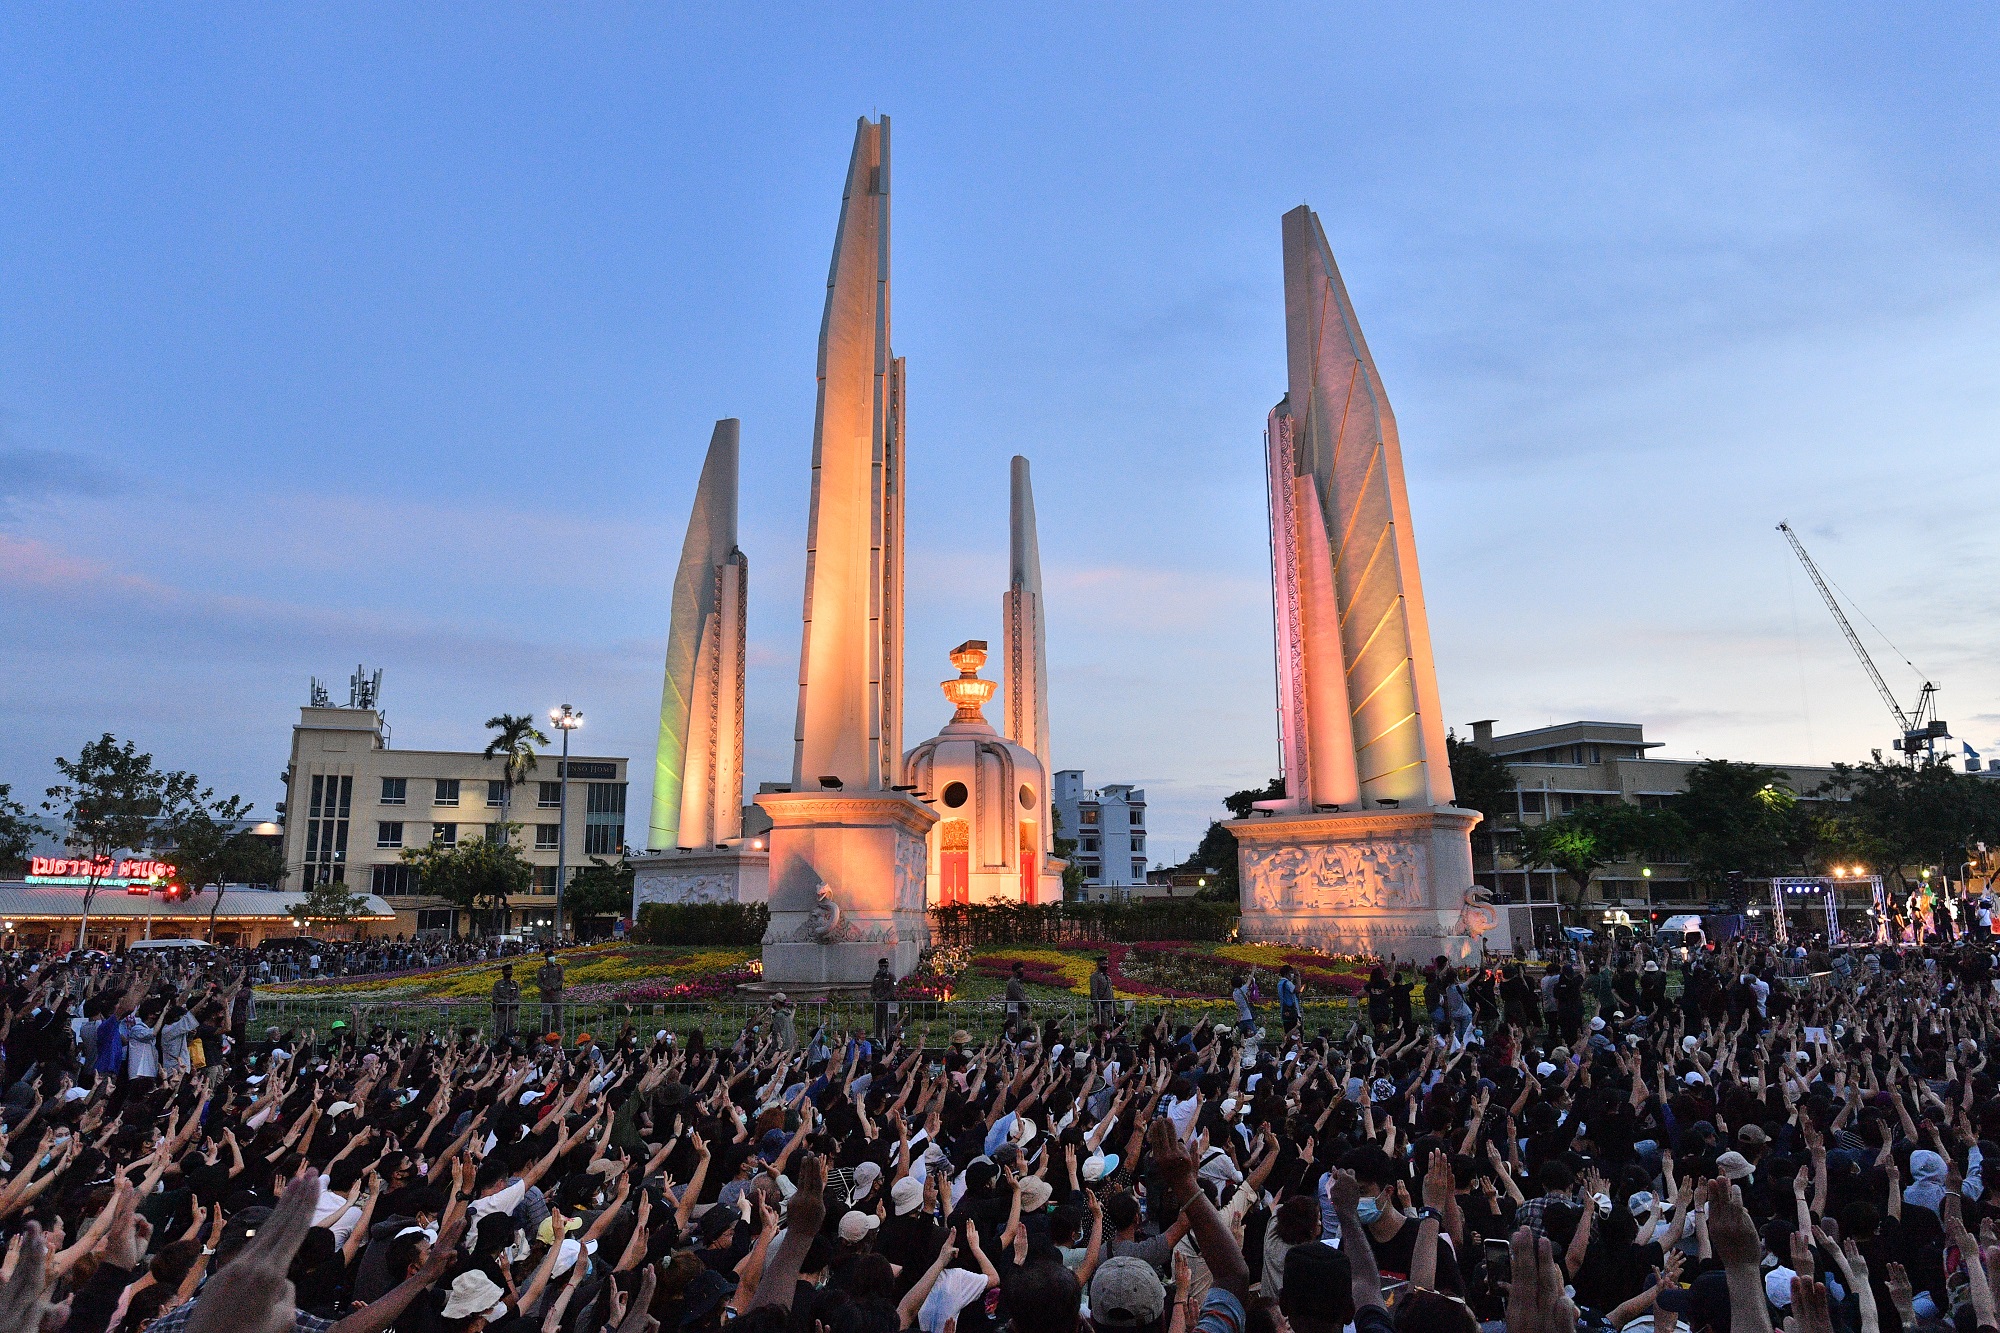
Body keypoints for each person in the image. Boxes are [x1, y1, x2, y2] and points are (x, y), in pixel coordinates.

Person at [535, 949, 564, 1032]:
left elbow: (561, 980)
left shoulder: (558, 967)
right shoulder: (541, 969)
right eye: (550, 957)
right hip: (546, 996)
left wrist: (553, 987)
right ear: (546, 959)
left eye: (553, 956)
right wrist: (546, 988)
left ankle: (560, 1032)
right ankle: (545, 1033)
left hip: (556, 994)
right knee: (546, 1015)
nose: (552, 958)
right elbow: (538, 982)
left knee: (558, 1014)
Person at [491, 962, 521, 1040]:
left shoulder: (515, 984)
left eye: (510, 971)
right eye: (507, 971)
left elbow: (517, 997)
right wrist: (505, 1002)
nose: (509, 973)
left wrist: (512, 1004)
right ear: (503, 972)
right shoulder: (498, 984)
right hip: (501, 1010)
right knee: (499, 1029)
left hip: (511, 1011)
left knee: (510, 1029)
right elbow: (495, 997)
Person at [870, 957, 895, 1042]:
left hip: (887, 1003)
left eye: (885, 966)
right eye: (881, 966)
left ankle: (889, 1043)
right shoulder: (876, 976)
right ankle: (878, 1043)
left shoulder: (891, 976)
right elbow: (872, 989)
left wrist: (882, 999)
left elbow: (891, 990)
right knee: (877, 1025)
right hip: (878, 1004)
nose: (883, 968)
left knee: (888, 1025)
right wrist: (875, 998)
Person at [1090, 956, 1115, 1027]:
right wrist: (1098, 1006)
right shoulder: (1094, 976)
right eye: (1103, 964)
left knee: (1108, 1025)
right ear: (1098, 964)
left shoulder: (1107, 977)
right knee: (1103, 1026)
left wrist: (1114, 1007)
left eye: (1107, 964)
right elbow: (1094, 992)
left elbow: (1111, 992)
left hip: (1109, 1005)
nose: (1106, 966)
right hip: (1102, 1006)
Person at [1277, 964, 1301, 1033]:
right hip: (1293, 1012)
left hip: (1284, 1012)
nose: (1292, 975)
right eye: (1291, 973)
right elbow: (1297, 989)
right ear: (1286, 974)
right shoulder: (1288, 983)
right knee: (1297, 1034)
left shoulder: (1279, 983)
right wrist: (1298, 976)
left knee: (1288, 1034)